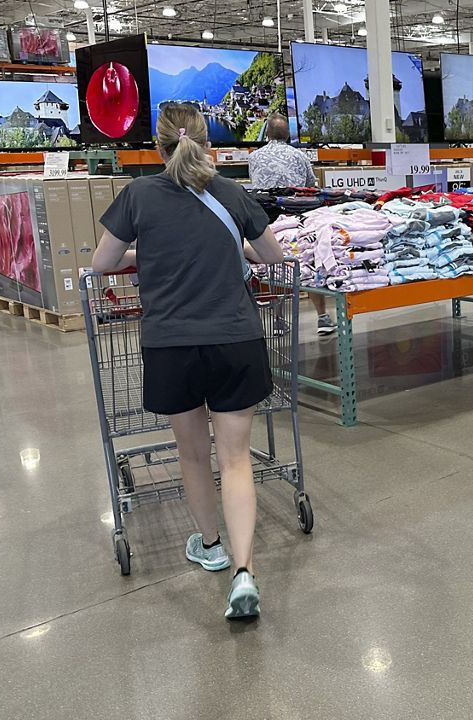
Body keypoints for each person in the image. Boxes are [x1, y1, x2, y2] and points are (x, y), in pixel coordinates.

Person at [91, 102, 284, 621]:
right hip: (235, 341)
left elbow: (102, 264)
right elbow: (275, 258)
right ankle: (245, 572)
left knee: (194, 456)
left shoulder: (136, 196)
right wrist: (237, 248)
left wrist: (142, 256)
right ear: (208, 143)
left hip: (171, 345)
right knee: (236, 459)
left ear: (156, 147)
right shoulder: (233, 194)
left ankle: (211, 544)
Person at [248, 113, 337, 336]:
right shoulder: (299, 156)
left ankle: (278, 320)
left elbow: (256, 185)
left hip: (268, 219)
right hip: (296, 217)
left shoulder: (254, 157)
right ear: (288, 135)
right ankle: (323, 318)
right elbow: (311, 187)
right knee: (309, 260)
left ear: (266, 133)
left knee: (275, 265)